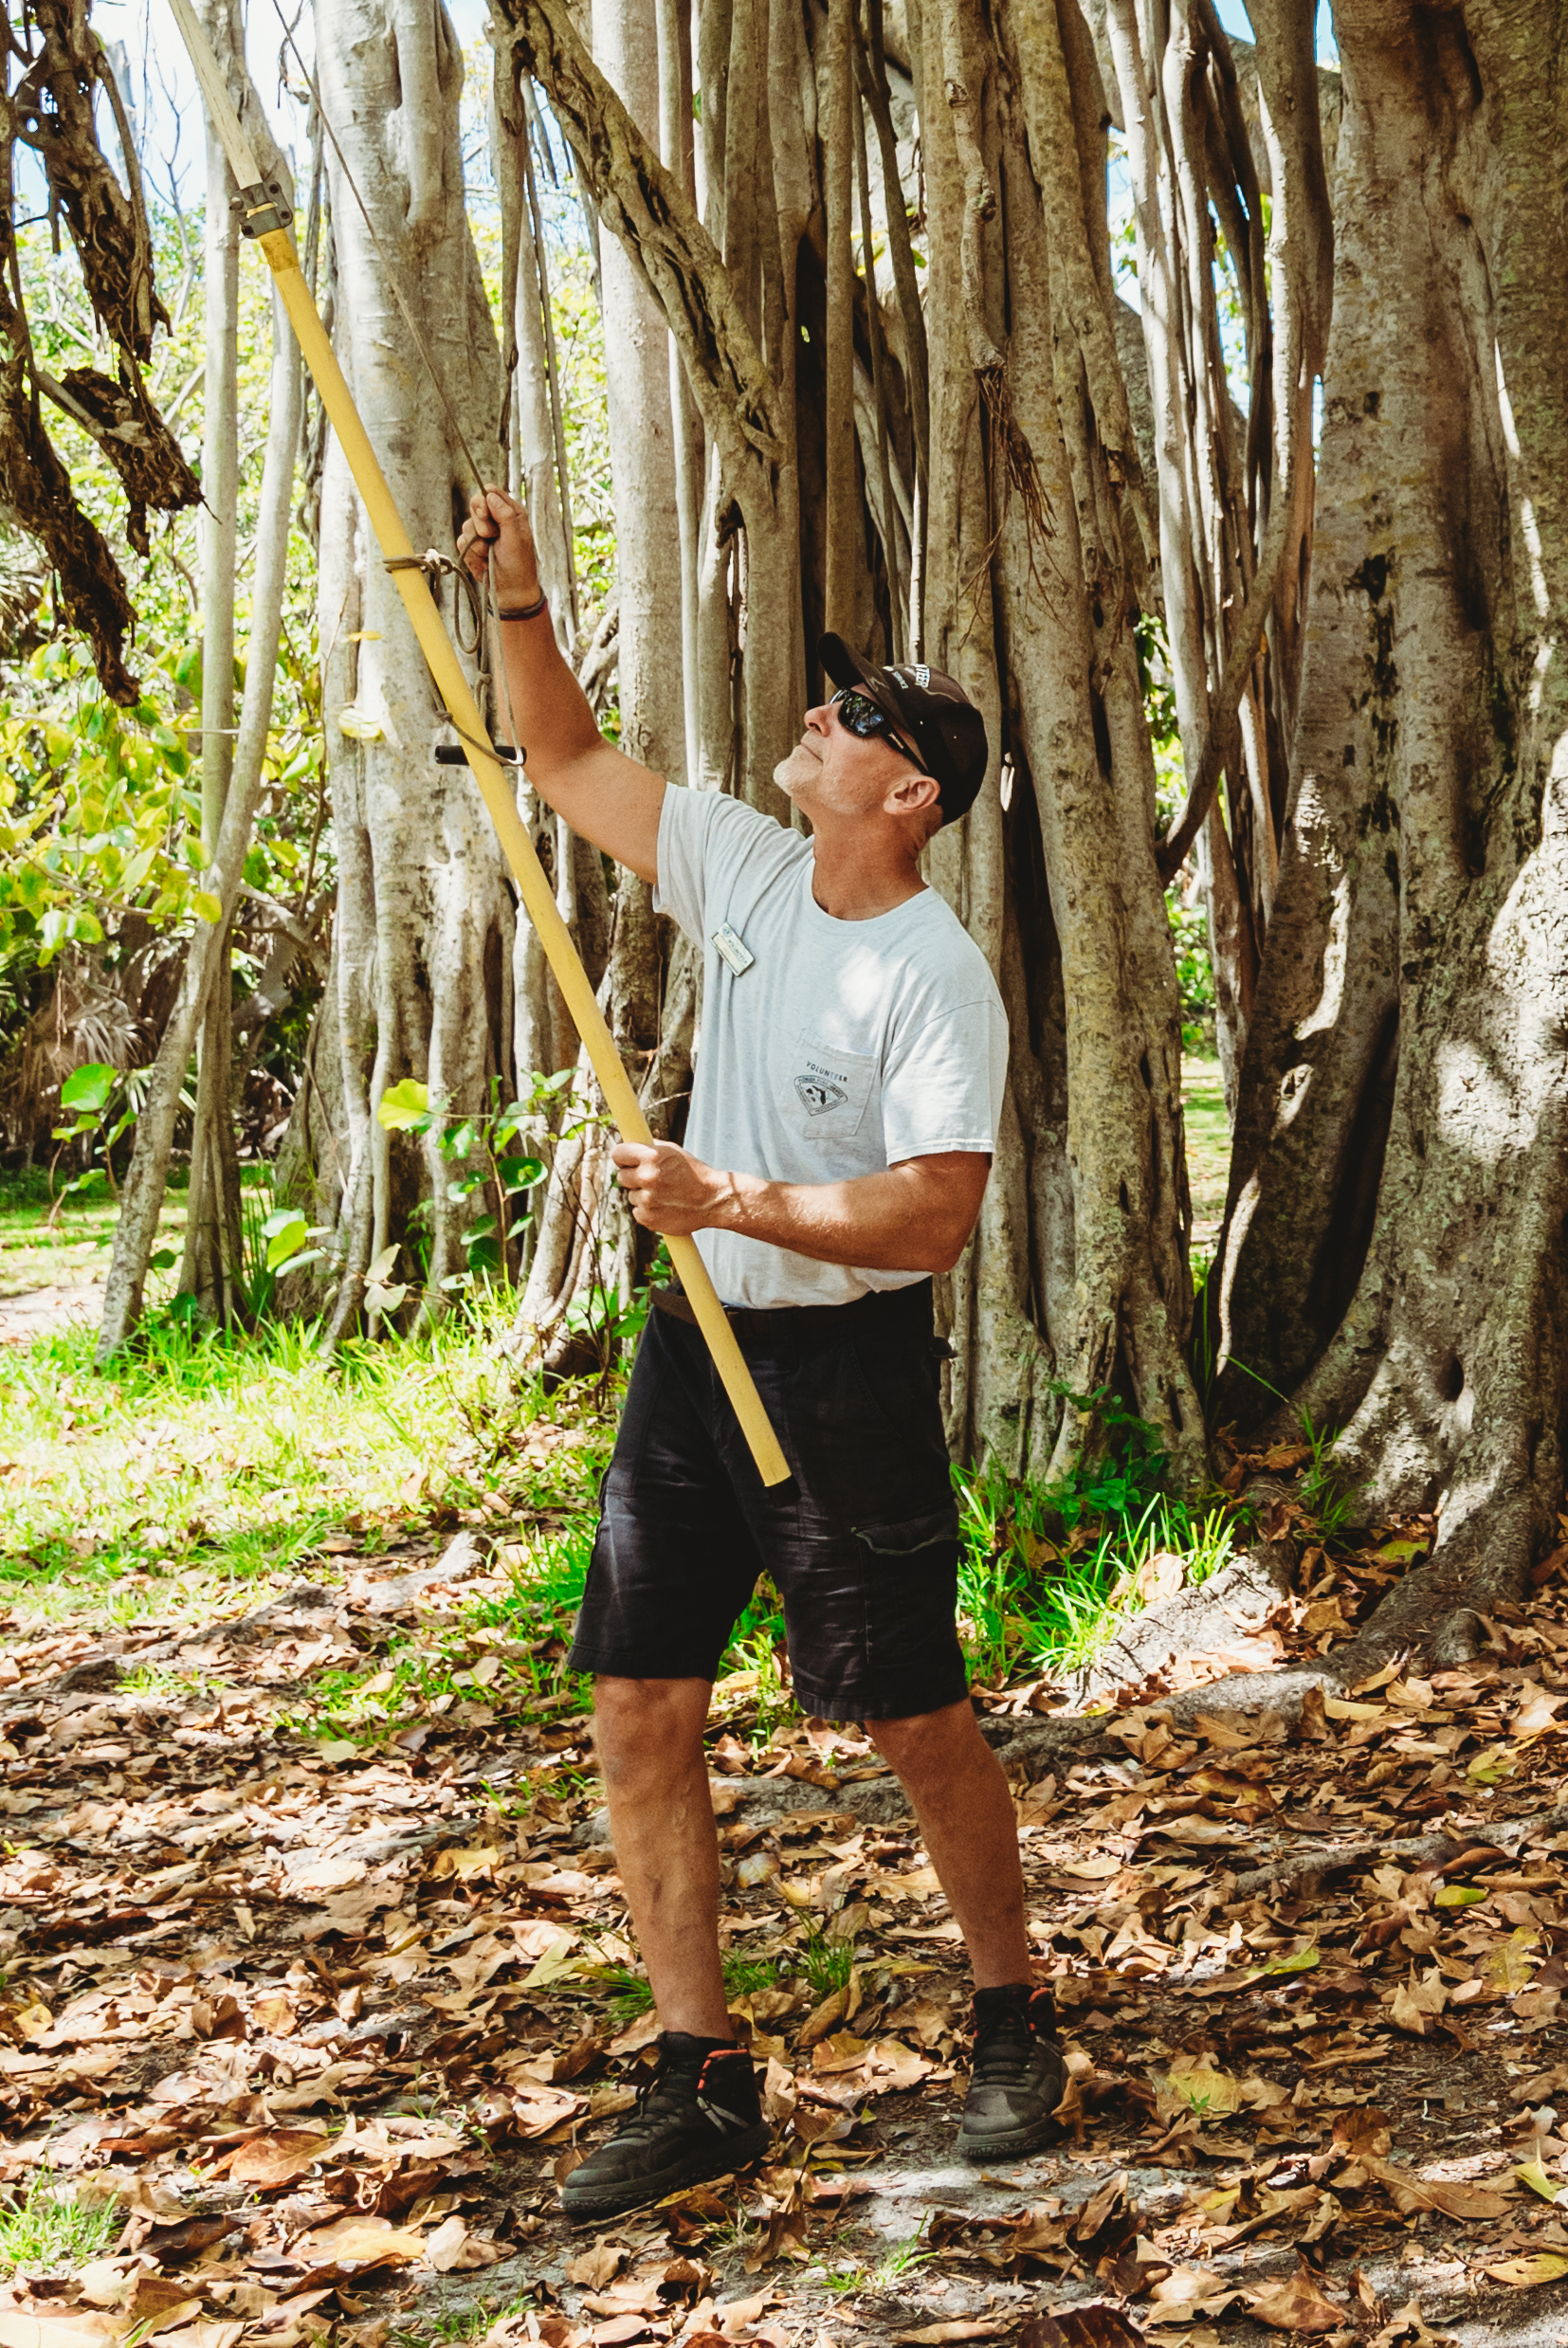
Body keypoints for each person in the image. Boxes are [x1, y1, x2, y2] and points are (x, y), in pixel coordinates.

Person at [455, 488, 1064, 2216]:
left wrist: (735, 1191)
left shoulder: (931, 976)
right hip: (690, 1353)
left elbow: (935, 1218)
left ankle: (1013, 2013)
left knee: (908, 1708)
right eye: (824, 703)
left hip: (842, 1373)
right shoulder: (737, 859)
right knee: (639, 1698)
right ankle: (702, 2073)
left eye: (850, 717)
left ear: (909, 791)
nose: (814, 720)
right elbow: (565, 763)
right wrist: (515, 602)